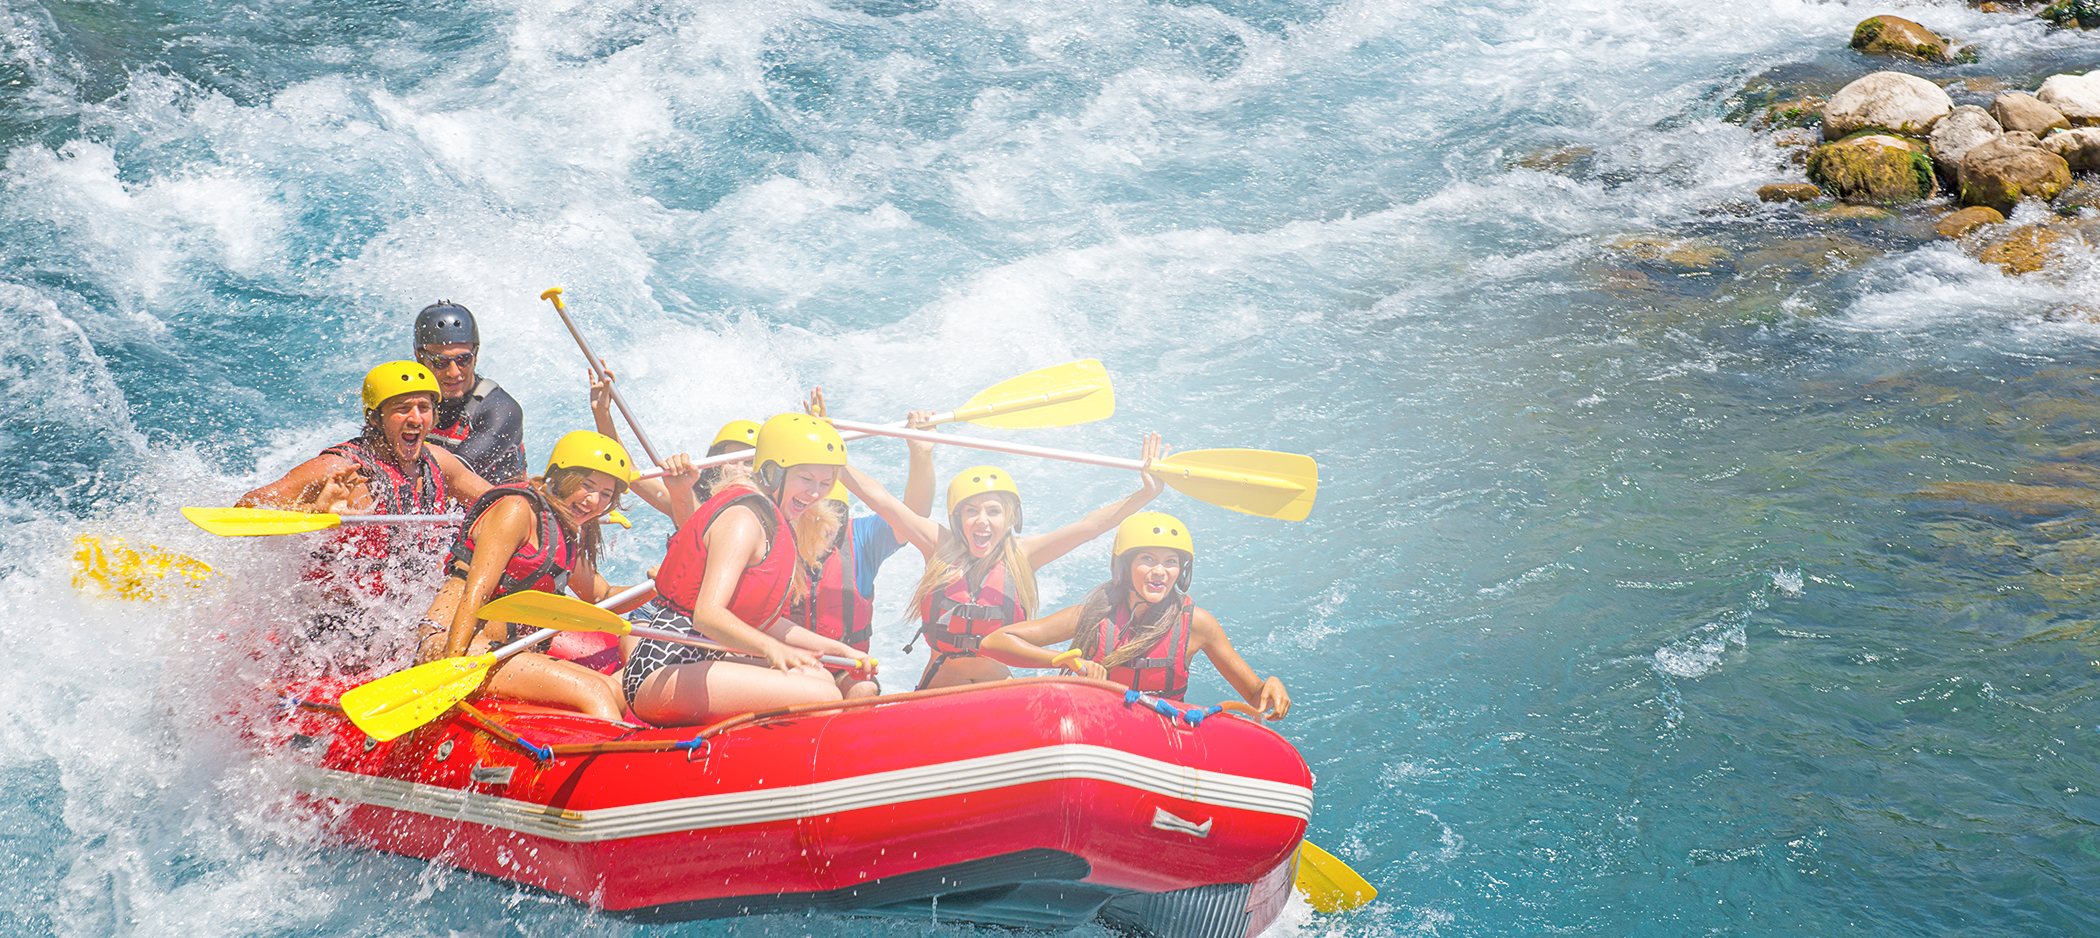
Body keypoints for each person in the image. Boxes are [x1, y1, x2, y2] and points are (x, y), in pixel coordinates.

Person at [841, 433, 1169, 690]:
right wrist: (830, 455)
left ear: (1009, 517)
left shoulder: (1025, 555)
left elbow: (1090, 526)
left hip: (1000, 689)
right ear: (958, 519)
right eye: (972, 511)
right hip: (938, 687)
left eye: (993, 511)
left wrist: (1146, 494)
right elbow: (881, 500)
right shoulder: (938, 545)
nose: (982, 521)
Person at [619, 413, 870, 726]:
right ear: (773, 472)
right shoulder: (743, 520)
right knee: (825, 698)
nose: (816, 493)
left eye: (824, 483)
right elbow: (707, 615)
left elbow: (766, 622)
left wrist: (838, 649)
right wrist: (771, 649)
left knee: (821, 678)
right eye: (806, 479)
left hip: (699, 658)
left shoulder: (771, 519)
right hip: (660, 669)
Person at [236, 361, 493, 663]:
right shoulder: (340, 468)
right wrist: (313, 511)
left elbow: (501, 504)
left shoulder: (439, 463)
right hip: (334, 626)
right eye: (402, 408)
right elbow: (248, 506)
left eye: (424, 408)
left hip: (407, 615)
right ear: (375, 417)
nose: (415, 418)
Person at [413, 431, 652, 721]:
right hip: (451, 642)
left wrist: (660, 584)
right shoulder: (516, 510)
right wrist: (450, 670)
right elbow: (476, 593)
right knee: (595, 693)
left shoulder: (563, 529)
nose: (593, 501)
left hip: (503, 652)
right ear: (562, 477)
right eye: (586, 486)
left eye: (606, 494)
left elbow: (601, 597)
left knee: (613, 691)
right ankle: (612, 761)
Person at [979, 512, 1291, 719]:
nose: (1160, 571)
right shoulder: (1093, 614)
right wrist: (1060, 660)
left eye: (1170, 561)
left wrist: (1271, 686)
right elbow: (994, 642)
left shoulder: (1197, 624)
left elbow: (1255, 695)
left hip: (1162, 737)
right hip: (1097, 729)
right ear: (1125, 566)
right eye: (1147, 559)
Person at [783, 400, 936, 698]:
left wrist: (920, 455)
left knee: (864, 688)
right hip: (783, 663)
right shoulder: (774, 533)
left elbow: (913, 514)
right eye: (818, 512)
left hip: (845, 670)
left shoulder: (861, 539)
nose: (827, 525)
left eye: (836, 513)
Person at [416, 301, 527, 483]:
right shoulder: (408, 400)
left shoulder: (502, 409)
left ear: (476, 353)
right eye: (440, 362)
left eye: (463, 359)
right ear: (419, 356)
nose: (454, 372)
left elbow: (454, 476)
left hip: (499, 506)